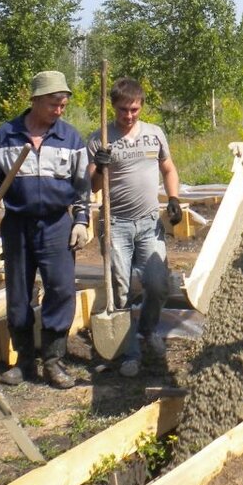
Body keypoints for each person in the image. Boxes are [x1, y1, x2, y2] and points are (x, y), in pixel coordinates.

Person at [0, 71, 91, 390]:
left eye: (64, 103)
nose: (60, 108)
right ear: (36, 100)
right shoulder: (6, 135)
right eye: (54, 103)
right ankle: (24, 360)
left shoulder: (70, 138)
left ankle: (53, 360)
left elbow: (82, 185)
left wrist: (81, 220)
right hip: (18, 225)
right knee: (18, 293)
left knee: (61, 290)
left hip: (56, 224)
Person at [88, 77, 183, 378]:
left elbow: (168, 168)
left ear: (141, 106)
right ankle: (129, 352)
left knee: (157, 283)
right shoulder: (101, 138)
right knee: (120, 289)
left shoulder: (154, 135)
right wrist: (100, 165)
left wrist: (174, 199)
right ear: (113, 107)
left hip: (148, 224)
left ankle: (148, 329)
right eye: (122, 110)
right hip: (116, 224)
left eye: (134, 109)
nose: (128, 116)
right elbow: (90, 185)